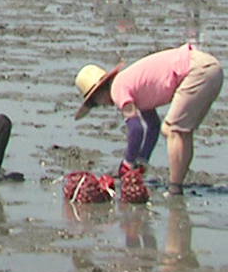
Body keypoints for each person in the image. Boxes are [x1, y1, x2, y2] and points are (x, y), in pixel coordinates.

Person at [76, 43, 224, 193]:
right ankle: (177, 185)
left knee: (173, 130)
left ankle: (175, 189)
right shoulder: (133, 85)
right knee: (182, 132)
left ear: (99, 91)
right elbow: (153, 126)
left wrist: (127, 163)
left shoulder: (117, 88)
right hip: (210, 68)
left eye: (94, 103)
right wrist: (142, 160)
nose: (100, 106)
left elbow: (136, 130)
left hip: (196, 70)